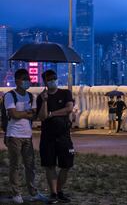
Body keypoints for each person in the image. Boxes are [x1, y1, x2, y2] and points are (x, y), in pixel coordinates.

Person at [4, 69, 46, 204]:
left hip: (27, 135)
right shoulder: (10, 96)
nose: (27, 81)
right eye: (24, 78)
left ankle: (33, 192)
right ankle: (16, 193)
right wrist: (26, 113)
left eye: (28, 78)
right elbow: (13, 114)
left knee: (30, 165)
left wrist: (23, 113)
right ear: (17, 80)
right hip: (13, 135)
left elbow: (34, 115)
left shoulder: (30, 96)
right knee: (14, 165)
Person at [37, 70, 75, 204]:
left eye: (54, 78)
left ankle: (59, 190)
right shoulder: (41, 97)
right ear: (45, 82)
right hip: (47, 136)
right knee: (50, 165)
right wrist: (45, 101)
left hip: (64, 136)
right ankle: (54, 193)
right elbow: (42, 117)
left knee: (66, 165)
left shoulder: (65, 93)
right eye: (49, 79)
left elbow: (69, 108)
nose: (52, 80)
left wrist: (52, 114)